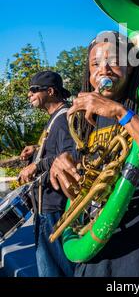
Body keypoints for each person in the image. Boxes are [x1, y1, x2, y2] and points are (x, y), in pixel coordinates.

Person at [49, 31, 139, 277]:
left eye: (113, 61)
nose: (103, 69)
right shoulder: (83, 120)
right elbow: (79, 190)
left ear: (131, 67)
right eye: (95, 64)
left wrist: (119, 112)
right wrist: (60, 166)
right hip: (92, 258)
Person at [18, 70, 75, 277]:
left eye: (34, 90)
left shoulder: (63, 118)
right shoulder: (55, 119)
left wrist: (36, 166)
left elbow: (69, 155)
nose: (29, 95)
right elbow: (55, 150)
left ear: (50, 91)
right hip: (45, 206)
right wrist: (36, 149)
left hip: (54, 208)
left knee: (56, 270)